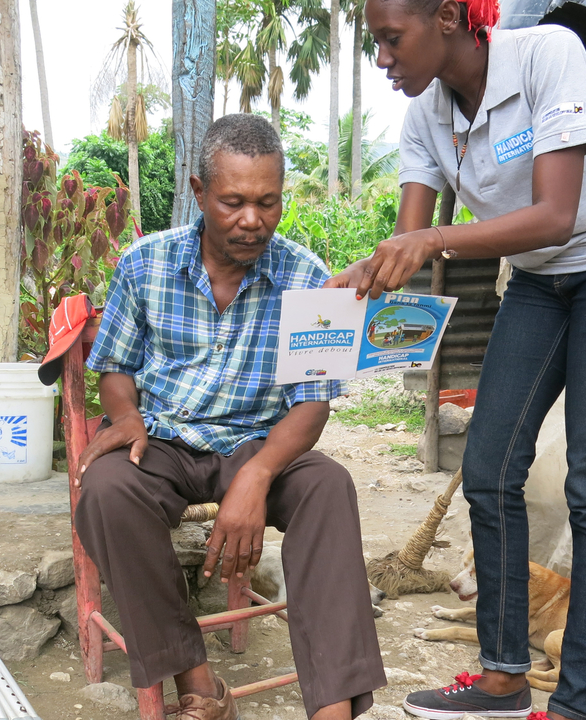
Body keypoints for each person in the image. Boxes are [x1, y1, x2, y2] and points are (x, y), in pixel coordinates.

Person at [327, 1, 586, 719]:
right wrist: (361, 279)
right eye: (377, 43)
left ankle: (574, 705)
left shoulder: (545, 55)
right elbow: (410, 242)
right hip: (541, 279)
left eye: (392, 39)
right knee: (488, 469)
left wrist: (430, 242)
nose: (382, 59)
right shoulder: (426, 114)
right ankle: (502, 677)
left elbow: (555, 214)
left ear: (450, 18)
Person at [74, 114, 386, 720]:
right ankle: (199, 685)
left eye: (268, 203)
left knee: (328, 486)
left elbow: (312, 402)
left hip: (258, 441)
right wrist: (125, 415)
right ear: (198, 192)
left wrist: (258, 474)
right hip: (164, 439)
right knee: (107, 492)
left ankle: (334, 710)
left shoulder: (307, 279)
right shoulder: (145, 264)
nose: (252, 220)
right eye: (233, 202)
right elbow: (114, 363)